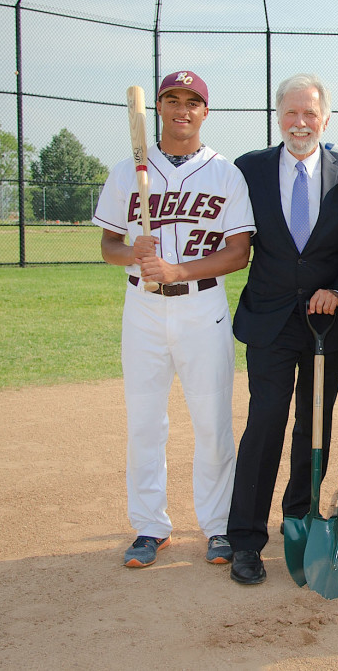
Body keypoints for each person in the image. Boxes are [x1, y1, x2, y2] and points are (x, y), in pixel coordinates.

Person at [93, 70, 255, 568]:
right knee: (144, 422)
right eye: (171, 100)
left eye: (192, 101)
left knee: (212, 424)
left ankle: (218, 526)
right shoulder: (127, 171)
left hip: (201, 306)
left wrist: (178, 269)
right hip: (142, 307)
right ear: (158, 108)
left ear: (205, 112)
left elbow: (239, 253)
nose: (182, 109)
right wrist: (130, 252)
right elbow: (107, 247)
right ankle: (149, 526)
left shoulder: (225, 173)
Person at [227, 74, 338, 585]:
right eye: (291, 112)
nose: (300, 122)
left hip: (325, 325)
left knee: (315, 424)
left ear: (326, 119)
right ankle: (244, 536)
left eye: (310, 114)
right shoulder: (249, 170)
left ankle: (301, 518)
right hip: (269, 320)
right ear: (277, 116)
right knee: (264, 422)